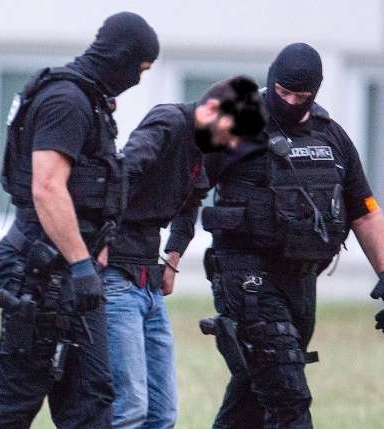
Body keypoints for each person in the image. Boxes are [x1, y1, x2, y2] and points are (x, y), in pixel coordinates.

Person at [0, 12, 159, 429]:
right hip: (42, 267)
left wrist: (91, 253)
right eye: (140, 69)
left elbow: (87, 192)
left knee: (90, 397)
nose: (138, 80)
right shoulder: (66, 101)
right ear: (122, 57)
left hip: (70, 268)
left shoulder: (89, 100)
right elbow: (48, 187)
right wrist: (81, 263)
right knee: (20, 387)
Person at [200, 43, 384, 429]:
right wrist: (170, 254)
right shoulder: (236, 124)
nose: (291, 102)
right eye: (283, 93)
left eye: (302, 96)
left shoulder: (331, 136)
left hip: (300, 283)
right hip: (246, 279)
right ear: (271, 80)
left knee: (251, 399)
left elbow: (364, 210)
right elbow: (187, 189)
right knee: (289, 400)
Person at [104, 77, 266, 429]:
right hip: (116, 275)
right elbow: (123, 173)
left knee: (162, 413)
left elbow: (192, 201)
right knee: (130, 409)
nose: (231, 143)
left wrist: (173, 257)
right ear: (211, 110)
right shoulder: (169, 121)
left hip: (148, 279)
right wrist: (99, 240)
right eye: (231, 132)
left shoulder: (205, 147)